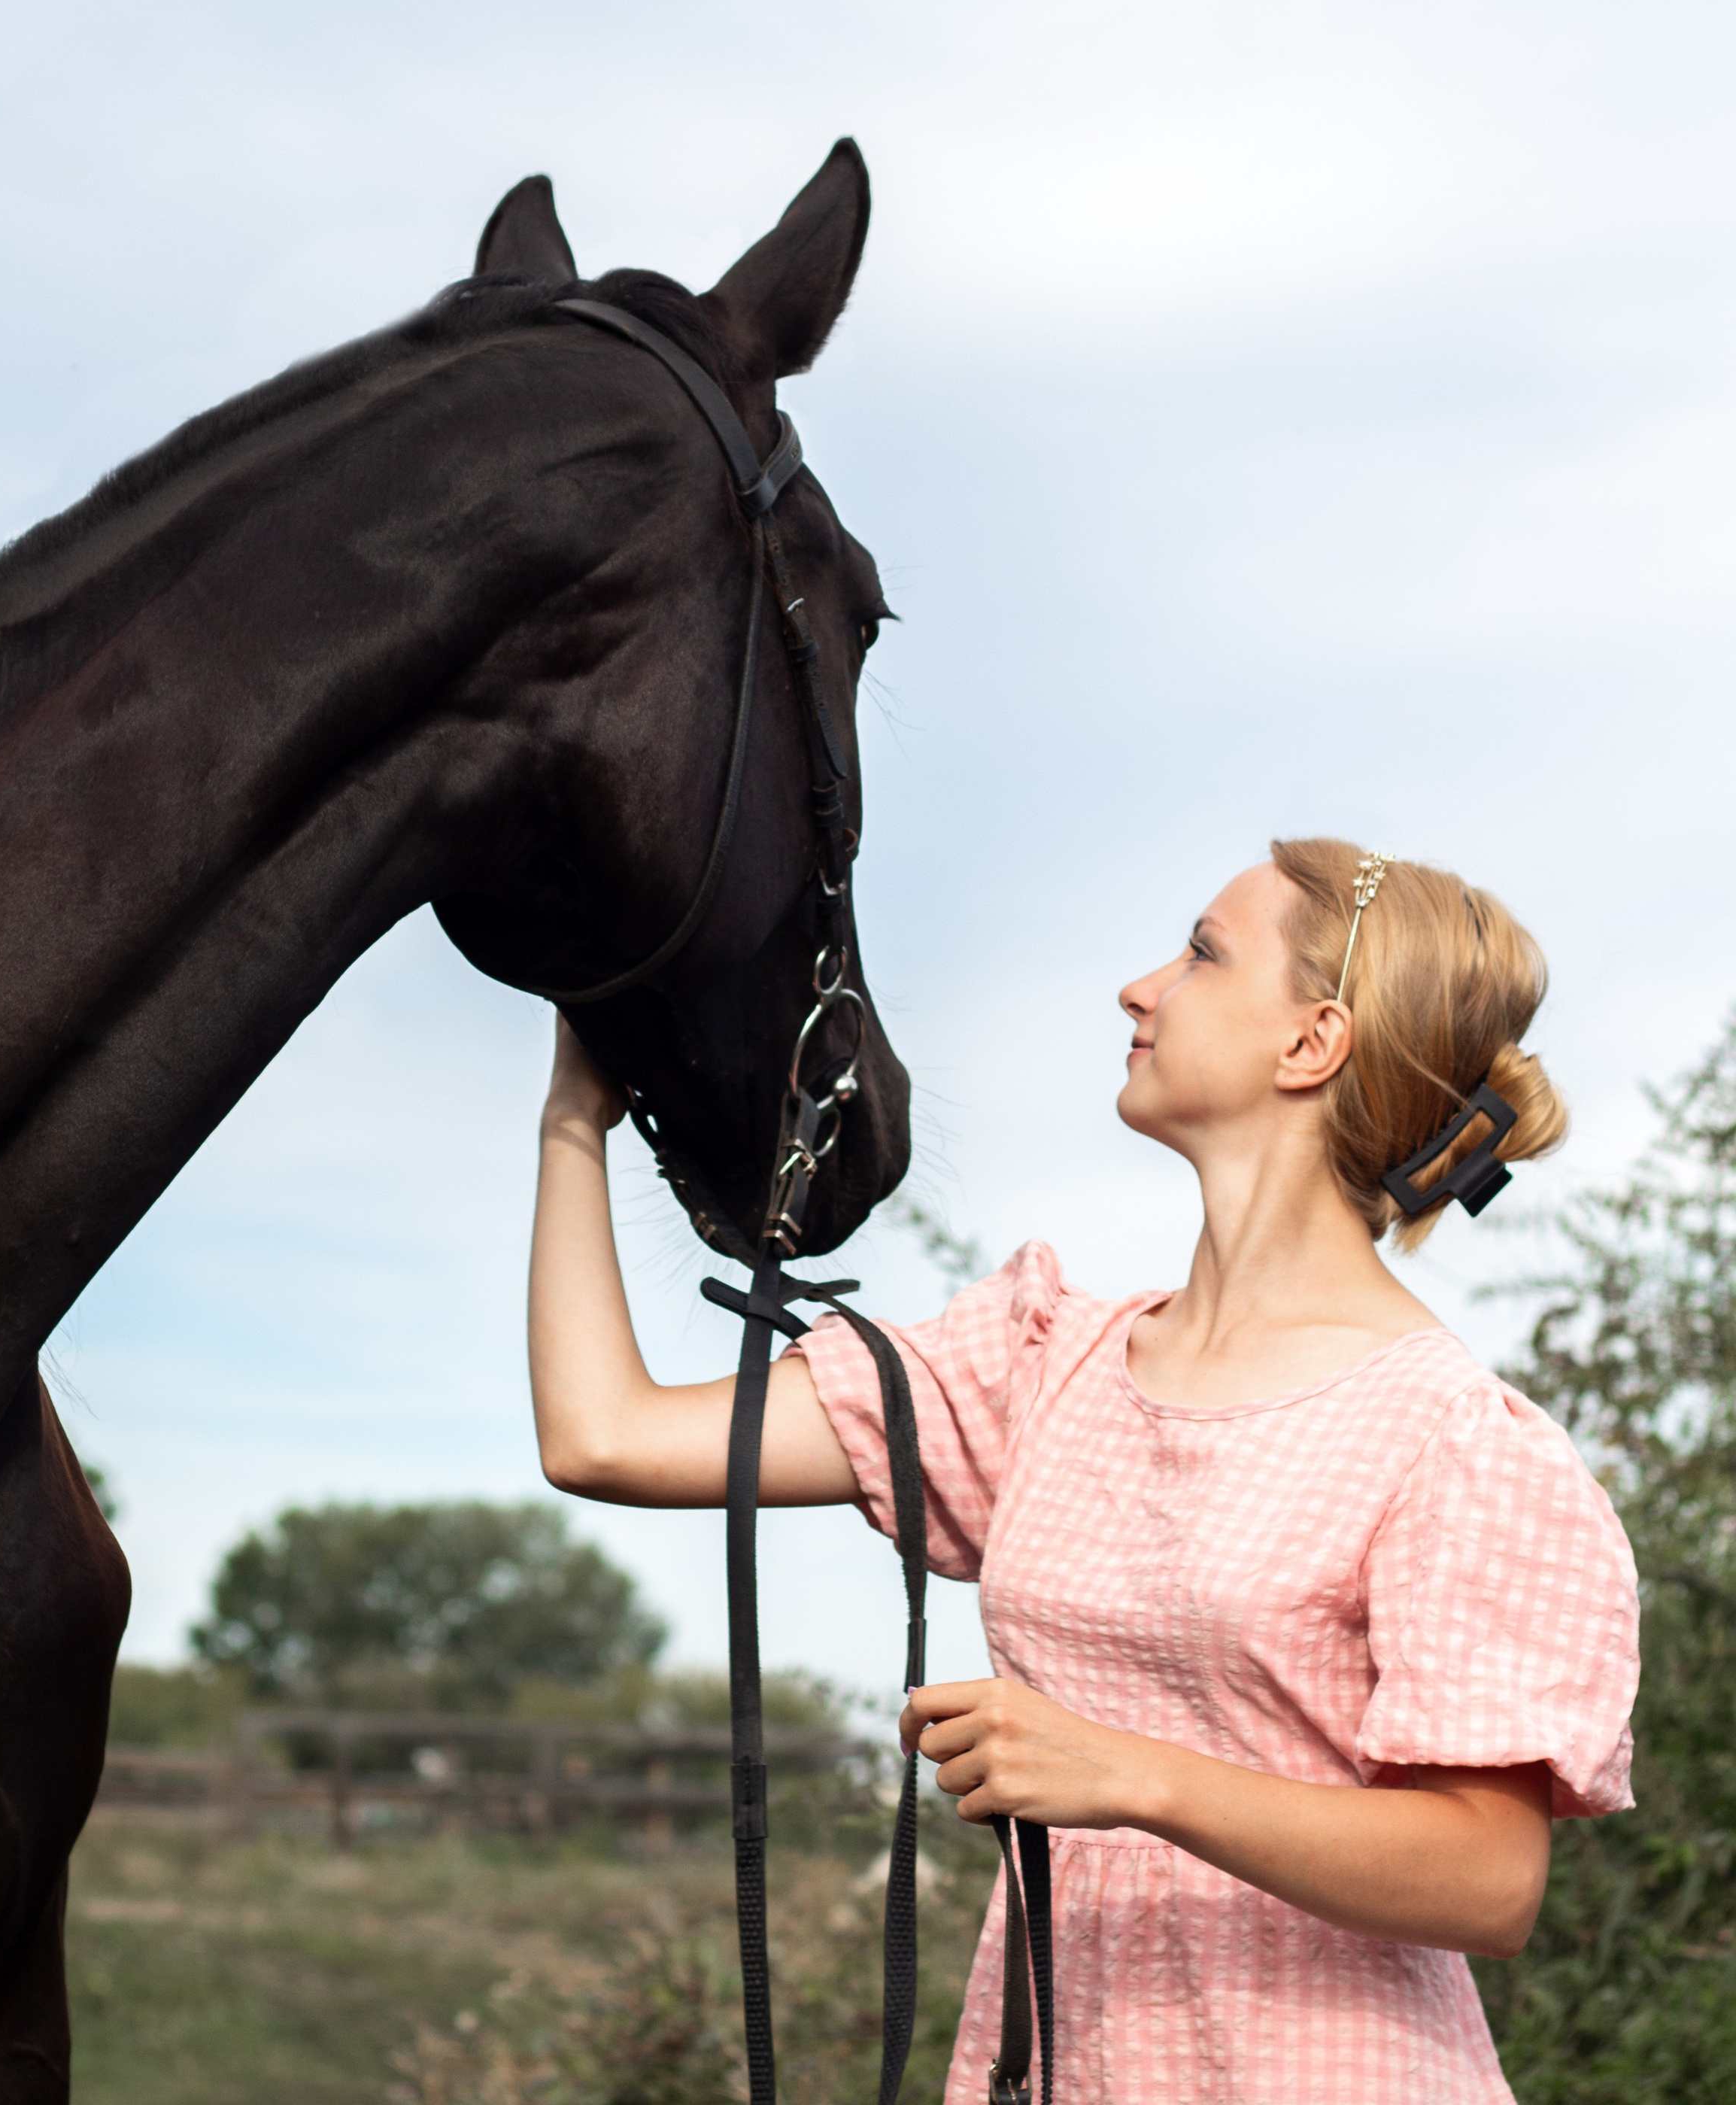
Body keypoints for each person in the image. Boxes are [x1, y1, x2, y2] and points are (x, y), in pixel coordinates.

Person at [526, 839, 1639, 2105]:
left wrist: (1132, 1775)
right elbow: (603, 1436)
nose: (1140, 987)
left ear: (1310, 1043)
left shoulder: (1457, 1444)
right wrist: (577, 1117)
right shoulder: (1045, 1366)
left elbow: (1489, 1879)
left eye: (1204, 954)